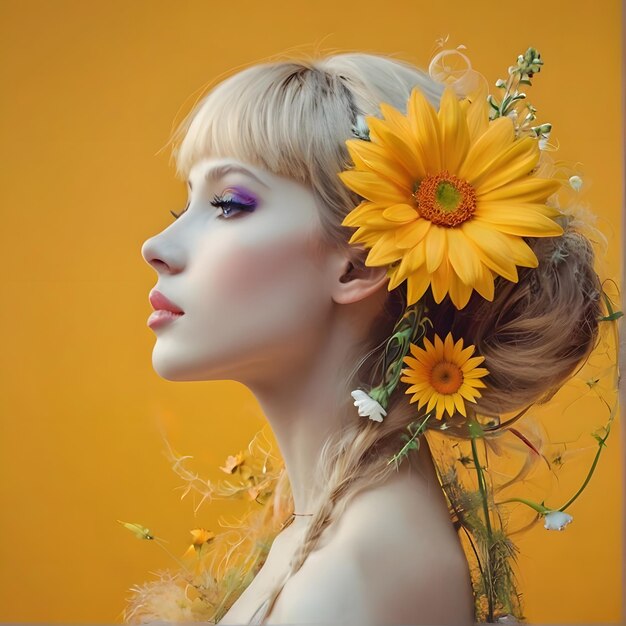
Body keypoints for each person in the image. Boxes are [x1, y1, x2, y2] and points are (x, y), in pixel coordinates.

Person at [139, 50, 613, 625]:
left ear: (359, 266)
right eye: (183, 202)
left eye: (228, 205)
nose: (157, 246)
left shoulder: (355, 572)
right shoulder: (331, 535)